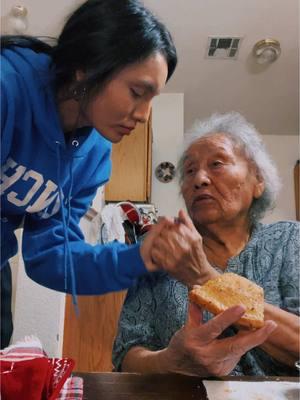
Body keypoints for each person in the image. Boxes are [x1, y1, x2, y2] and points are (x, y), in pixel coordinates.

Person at [0, 0, 183, 348]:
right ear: (85, 67)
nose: (144, 114)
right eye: (136, 92)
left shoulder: (94, 155)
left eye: (152, 99)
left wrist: (140, 257)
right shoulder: (6, 88)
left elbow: (51, 254)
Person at [112, 112, 300, 376]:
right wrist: (170, 361)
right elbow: (127, 353)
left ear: (258, 181)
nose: (199, 179)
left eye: (217, 164)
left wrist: (205, 278)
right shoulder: (160, 250)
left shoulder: (289, 239)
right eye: (189, 171)